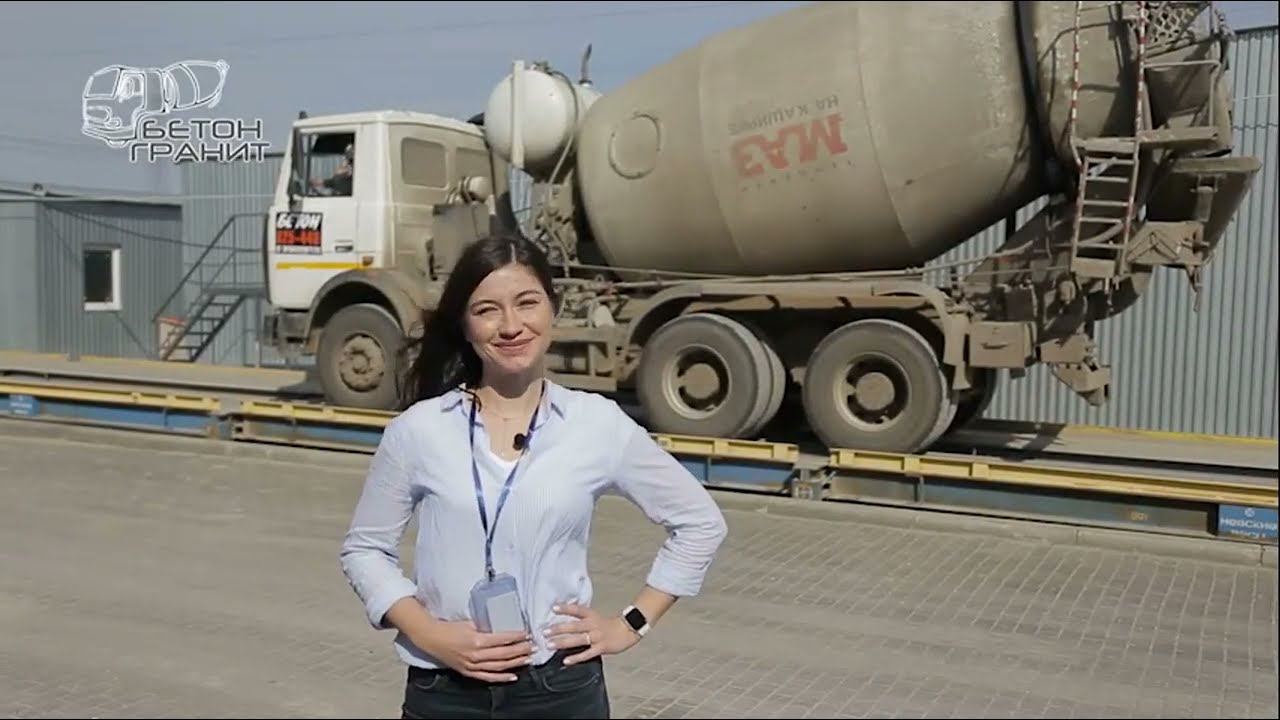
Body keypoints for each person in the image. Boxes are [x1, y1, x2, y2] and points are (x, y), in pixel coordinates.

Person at [339, 232, 729, 719]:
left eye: (527, 303)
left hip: (559, 687)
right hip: (445, 687)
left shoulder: (595, 424)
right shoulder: (419, 430)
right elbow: (364, 549)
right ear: (464, 323)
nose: (511, 326)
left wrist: (630, 624)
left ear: (552, 308)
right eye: (487, 310)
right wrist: (430, 634)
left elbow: (699, 522)